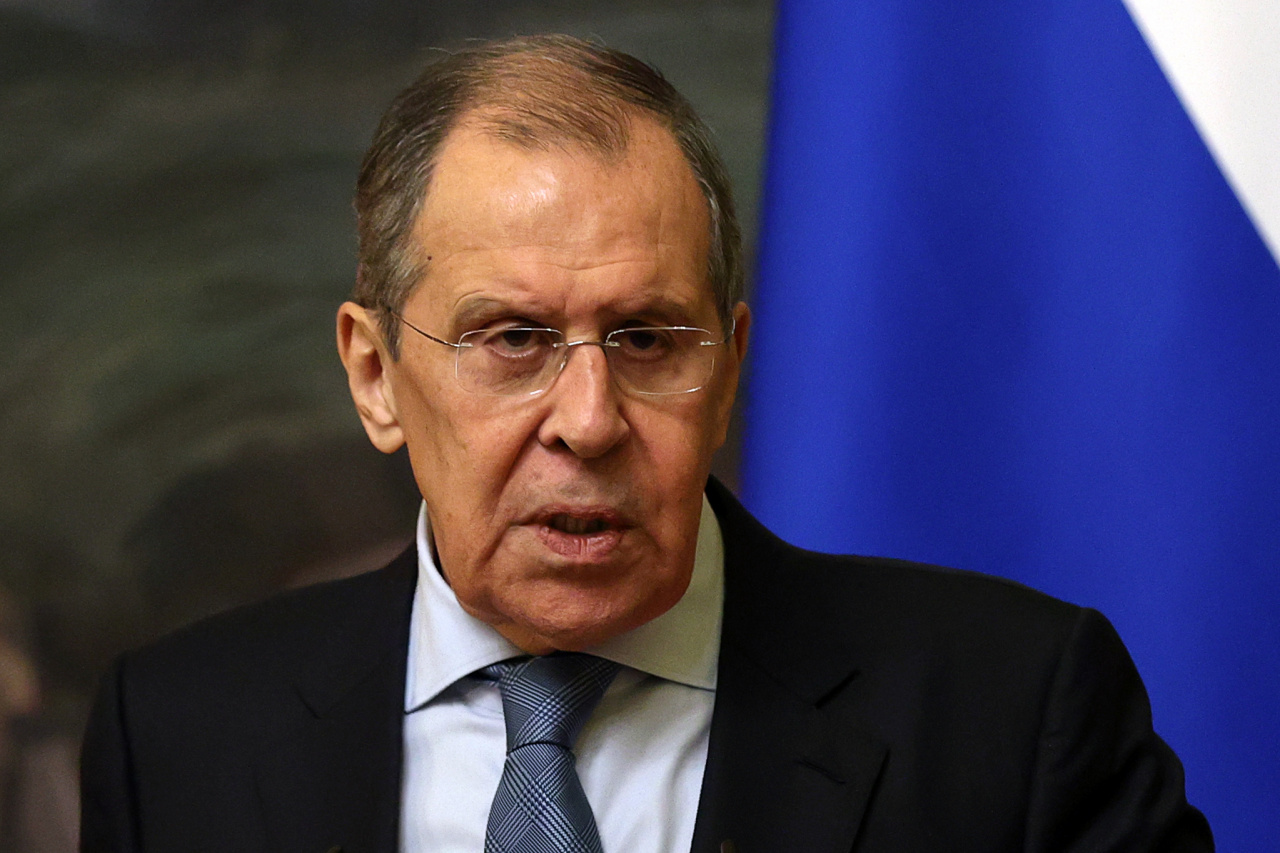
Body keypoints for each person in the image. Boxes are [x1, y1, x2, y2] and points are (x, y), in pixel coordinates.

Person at [79, 35, 1212, 852]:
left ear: (729, 369)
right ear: (376, 376)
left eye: (648, 339)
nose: (588, 419)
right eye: (513, 339)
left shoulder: (1012, 712)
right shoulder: (177, 735)